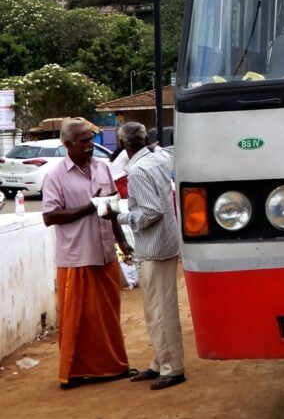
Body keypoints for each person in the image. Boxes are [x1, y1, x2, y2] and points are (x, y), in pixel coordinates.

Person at [41, 118, 137, 390]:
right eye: (83, 141)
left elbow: (111, 209)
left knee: (107, 317)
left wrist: (122, 243)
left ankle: (112, 366)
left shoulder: (102, 168)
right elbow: (50, 216)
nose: (90, 145)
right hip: (76, 256)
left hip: (104, 252)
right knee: (78, 319)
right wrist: (88, 207)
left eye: (90, 139)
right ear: (68, 144)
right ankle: (73, 372)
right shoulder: (56, 176)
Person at [109, 122, 186, 391]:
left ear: (122, 144)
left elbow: (151, 211)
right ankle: (160, 362)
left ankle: (172, 367)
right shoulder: (157, 158)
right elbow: (165, 157)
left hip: (154, 246)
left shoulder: (139, 170)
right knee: (159, 307)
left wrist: (119, 216)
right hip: (166, 241)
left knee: (159, 310)